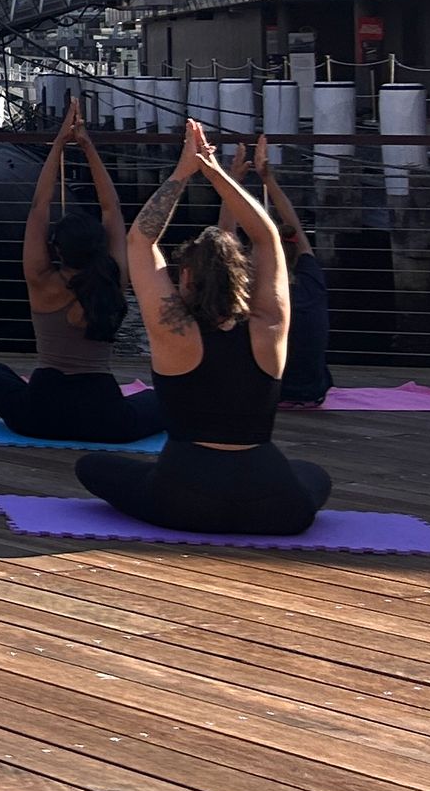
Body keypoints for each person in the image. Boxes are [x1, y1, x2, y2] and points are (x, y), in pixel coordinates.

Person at [76, 119, 331, 535]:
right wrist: (217, 173)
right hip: (273, 502)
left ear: (186, 278)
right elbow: (267, 238)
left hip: (183, 495)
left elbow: (141, 241)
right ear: (242, 279)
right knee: (313, 474)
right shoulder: (269, 326)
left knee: (92, 466)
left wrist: (185, 170)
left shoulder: (174, 331)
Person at [0, 95, 159, 441]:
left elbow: (39, 207)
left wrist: (57, 144)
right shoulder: (113, 279)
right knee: (162, 399)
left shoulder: (42, 281)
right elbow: (112, 209)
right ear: (99, 247)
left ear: (56, 248)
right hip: (105, 417)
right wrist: (87, 145)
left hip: (41, 412)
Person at [242, 139, 333, 409]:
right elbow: (295, 226)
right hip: (313, 392)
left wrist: (232, 180)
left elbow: (225, 233)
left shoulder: (257, 292)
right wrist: (268, 179)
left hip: (272, 392)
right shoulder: (311, 280)